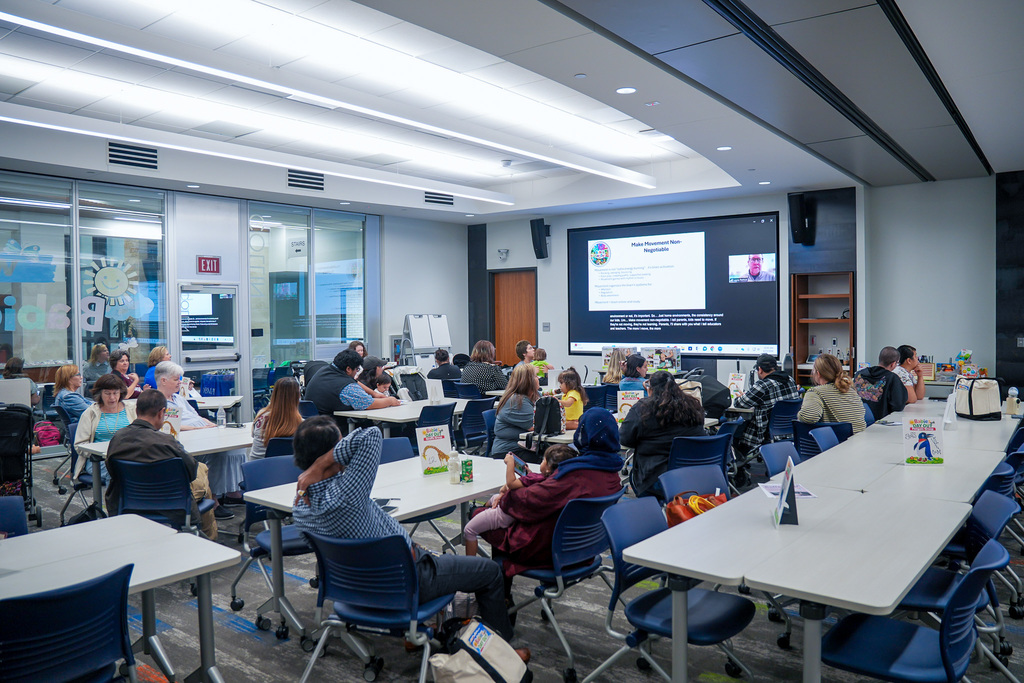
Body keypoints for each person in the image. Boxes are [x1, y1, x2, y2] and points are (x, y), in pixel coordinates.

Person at [290, 417, 517, 643]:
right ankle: (503, 651)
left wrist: (317, 466)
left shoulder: (300, 508)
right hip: (405, 582)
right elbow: (371, 436)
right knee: (490, 571)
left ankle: (423, 627)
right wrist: (322, 463)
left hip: (354, 590)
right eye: (340, 447)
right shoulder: (347, 492)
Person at [481, 407, 623, 578]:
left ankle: (500, 586)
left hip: (548, 550)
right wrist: (534, 479)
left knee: (485, 514)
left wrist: (506, 493)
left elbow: (529, 500)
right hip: (585, 549)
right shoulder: (612, 472)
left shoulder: (574, 475)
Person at [105, 389, 219, 539]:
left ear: (137, 410)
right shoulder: (167, 441)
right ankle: (207, 536)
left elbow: (112, 472)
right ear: (161, 413)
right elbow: (190, 473)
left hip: (128, 502)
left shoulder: (117, 439)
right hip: (173, 504)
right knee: (202, 469)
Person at [154, 361, 243, 516]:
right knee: (218, 454)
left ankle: (232, 491)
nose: (180, 382)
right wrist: (200, 428)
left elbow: (196, 416)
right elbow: (171, 426)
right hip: (189, 440)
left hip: (204, 432)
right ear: (163, 381)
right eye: (176, 379)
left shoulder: (178, 398)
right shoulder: (157, 401)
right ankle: (213, 498)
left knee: (237, 447)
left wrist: (212, 426)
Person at [463, 445, 577, 556]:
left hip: (504, 514)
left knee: (469, 530)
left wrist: (510, 463)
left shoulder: (534, 479)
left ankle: (469, 566)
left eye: (543, 460)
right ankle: (485, 513)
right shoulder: (550, 481)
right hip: (516, 511)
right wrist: (529, 475)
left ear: (548, 468)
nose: (541, 462)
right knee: (494, 498)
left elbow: (511, 483)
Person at [620, 370, 707, 496]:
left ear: (650, 388)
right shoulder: (693, 405)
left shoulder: (642, 409)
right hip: (692, 475)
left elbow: (625, 439)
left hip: (655, 478)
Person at [304, 350, 400, 432]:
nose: (356, 372)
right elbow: (369, 403)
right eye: (357, 369)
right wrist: (390, 400)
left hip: (314, 425)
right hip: (333, 429)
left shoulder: (325, 370)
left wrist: (374, 393)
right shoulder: (346, 386)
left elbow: (354, 382)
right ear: (348, 369)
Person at [732, 354, 800, 456]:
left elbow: (739, 404)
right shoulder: (790, 380)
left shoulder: (762, 385)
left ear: (760, 369)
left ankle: (739, 464)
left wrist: (741, 396)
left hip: (765, 432)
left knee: (737, 430)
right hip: (789, 430)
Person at [74, 373, 137, 483]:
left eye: (115, 393)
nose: (112, 398)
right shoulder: (90, 413)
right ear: (100, 394)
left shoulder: (132, 409)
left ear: (120, 393)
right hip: (98, 461)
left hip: (129, 457)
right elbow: (79, 445)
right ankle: (116, 500)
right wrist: (100, 453)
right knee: (114, 471)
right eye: (107, 393)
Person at [797, 353, 867, 434]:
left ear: (818, 373)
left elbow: (808, 417)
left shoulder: (816, 392)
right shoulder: (850, 390)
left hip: (838, 443)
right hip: (860, 440)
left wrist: (799, 414)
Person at [491, 364, 538, 460]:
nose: (538, 378)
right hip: (509, 451)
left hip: (525, 446)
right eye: (536, 376)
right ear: (528, 381)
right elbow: (537, 426)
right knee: (552, 459)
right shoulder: (516, 401)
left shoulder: (534, 396)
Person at [249, 376, 303, 460]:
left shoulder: (261, 415)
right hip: (283, 468)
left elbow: (253, 435)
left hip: (256, 468)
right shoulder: (301, 424)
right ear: (297, 397)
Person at [854, 346, 909, 420]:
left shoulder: (859, 374)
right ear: (893, 364)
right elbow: (898, 405)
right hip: (881, 422)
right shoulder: (892, 378)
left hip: (858, 420)